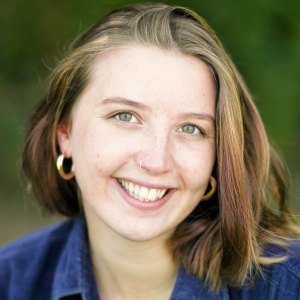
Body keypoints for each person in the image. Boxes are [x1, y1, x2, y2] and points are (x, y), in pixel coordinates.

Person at [0, 3, 299, 300]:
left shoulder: (288, 286)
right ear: (64, 134)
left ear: (218, 154)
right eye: (125, 116)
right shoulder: (9, 283)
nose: (156, 162)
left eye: (191, 128)